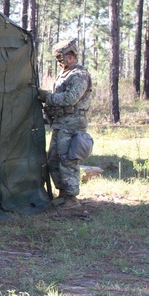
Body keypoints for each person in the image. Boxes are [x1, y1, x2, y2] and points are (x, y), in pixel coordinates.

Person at [38, 38, 92, 208]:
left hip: (72, 125)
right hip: (61, 124)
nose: (59, 63)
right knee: (53, 159)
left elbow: (70, 98)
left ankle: (71, 197)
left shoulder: (79, 75)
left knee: (68, 161)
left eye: (61, 59)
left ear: (70, 56)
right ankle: (62, 192)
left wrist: (47, 97)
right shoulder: (65, 74)